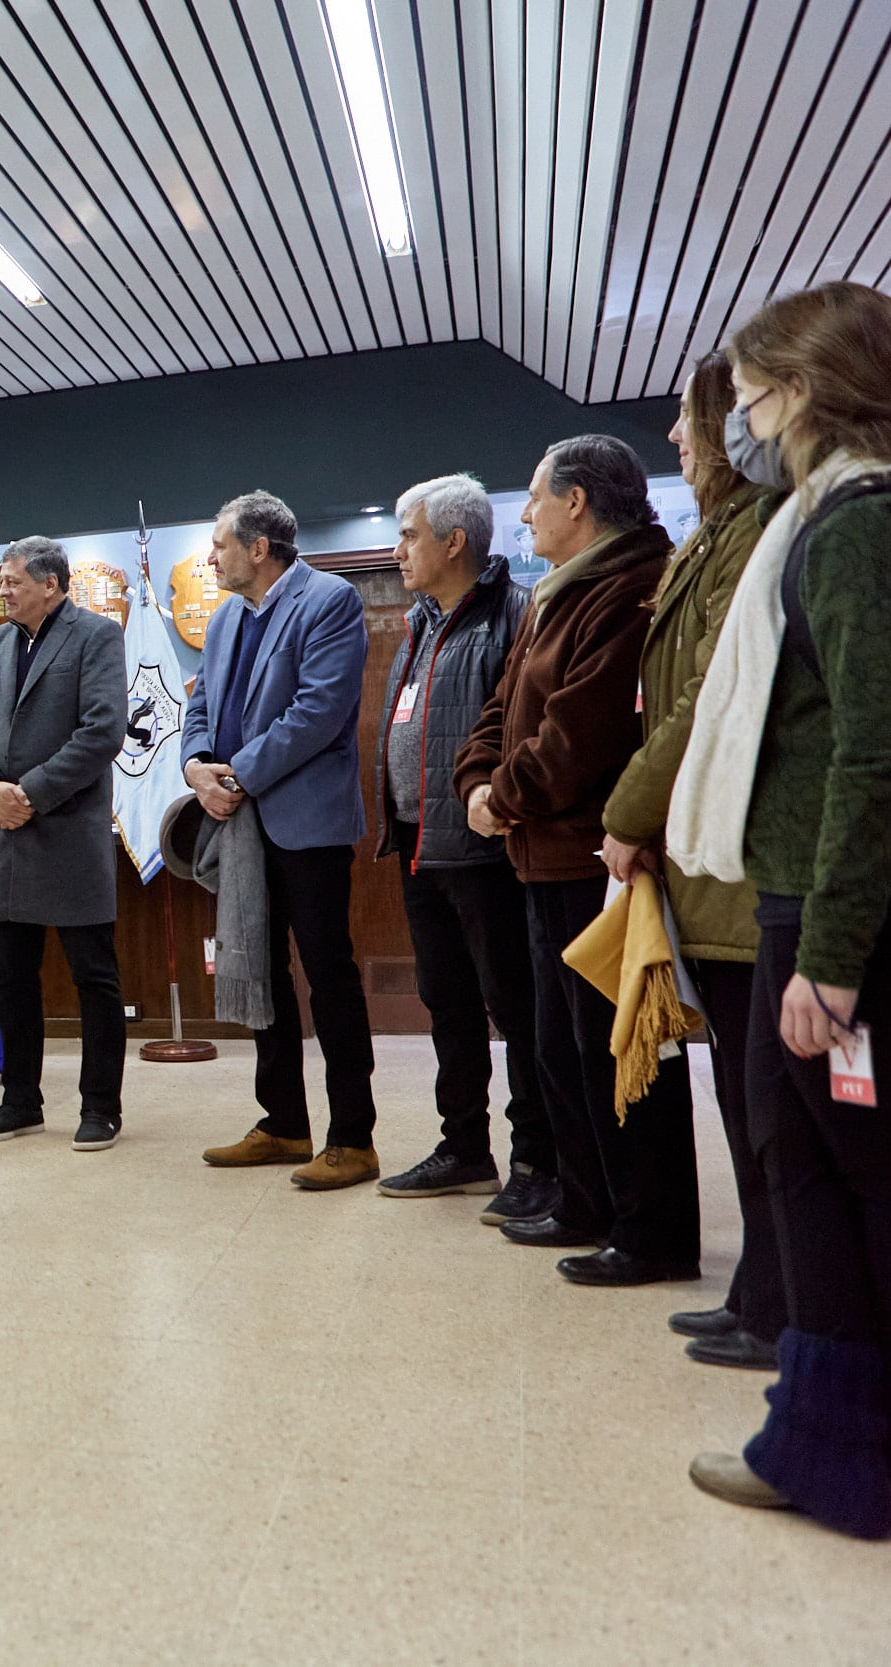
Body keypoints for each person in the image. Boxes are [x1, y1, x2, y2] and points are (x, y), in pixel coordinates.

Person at [674, 282, 891, 1537]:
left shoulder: (861, 526)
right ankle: (875, 1435)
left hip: (854, 924)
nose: (745, 413)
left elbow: (882, 756)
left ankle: (833, 1446)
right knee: (852, 1182)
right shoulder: (852, 516)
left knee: (836, 1183)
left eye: (757, 386)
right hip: (834, 903)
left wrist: (827, 959)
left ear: (808, 391)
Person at [453, 435, 698, 1287]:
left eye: (533, 498)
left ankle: (652, 1229)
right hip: (538, 856)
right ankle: (589, 1201)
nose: (523, 515)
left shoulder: (628, 588)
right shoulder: (560, 593)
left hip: (592, 859)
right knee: (561, 1050)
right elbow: (501, 708)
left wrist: (503, 795)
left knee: (619, 1052)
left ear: (579, 504)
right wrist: (477, 779)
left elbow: (580, 730)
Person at [600, 356, 784, 1369]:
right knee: (739, 1094)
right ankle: (764, 1286)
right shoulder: (716, 532)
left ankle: (780, 1298)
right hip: (704, 854)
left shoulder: (754, 528)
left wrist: (629, 808)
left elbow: (705, 695)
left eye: (685, 421)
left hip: (736, 853)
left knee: (766, 1107)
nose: (673, 437)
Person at [183, 491, 381, 1190]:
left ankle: (353, 1137)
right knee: (261, 974)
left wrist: (236, 774)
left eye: (219, 543)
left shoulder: (328, 601)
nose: (211, 556)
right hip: (240, 822)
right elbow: (199, 702)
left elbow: (318, 712)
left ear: (258, 547)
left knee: (328, 976)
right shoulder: (227, 616)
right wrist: (195, 765)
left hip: (307, 821)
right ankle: (284, 1124)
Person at [370, 475, 553, 1219]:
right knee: (445, 1003)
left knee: (517, 1007)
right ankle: (463, 1147)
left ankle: (537, 1159)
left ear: (454, 542)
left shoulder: (514, 615)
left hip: (484, 850)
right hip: (419, 846)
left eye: (409, 535)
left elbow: (521, 727)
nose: (398, 549)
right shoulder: (419, 620)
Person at [0, 536, 128, 1150]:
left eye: (13, 581)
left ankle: (101, 1107)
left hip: (69, 831)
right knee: (12, 979)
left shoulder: (97, 636)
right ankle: (21, 1100)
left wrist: (27, 792)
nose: (2, 591)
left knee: (94, 979)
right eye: (2, 582)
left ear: (50, 584)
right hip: (6, 838)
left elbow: (103, 732)